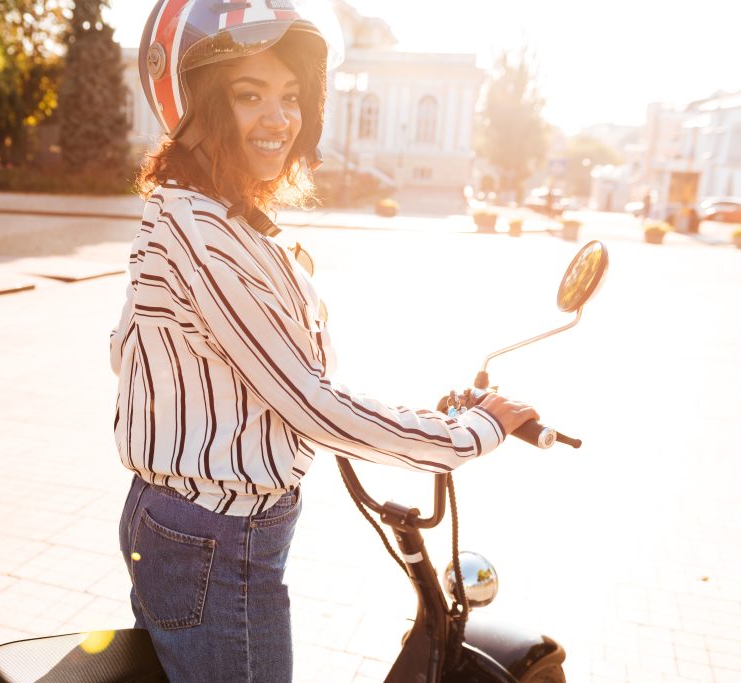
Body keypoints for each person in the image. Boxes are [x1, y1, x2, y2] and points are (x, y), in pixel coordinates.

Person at [111, 2, 539, 681]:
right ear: (195, 103)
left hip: (190, 524)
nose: (279, 118)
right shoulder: (205, 233)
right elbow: (308, 400)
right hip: (217, 537)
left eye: (290, 96)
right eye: (249, 95)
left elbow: (142, 352)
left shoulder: (201, 213)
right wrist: (466, 435)